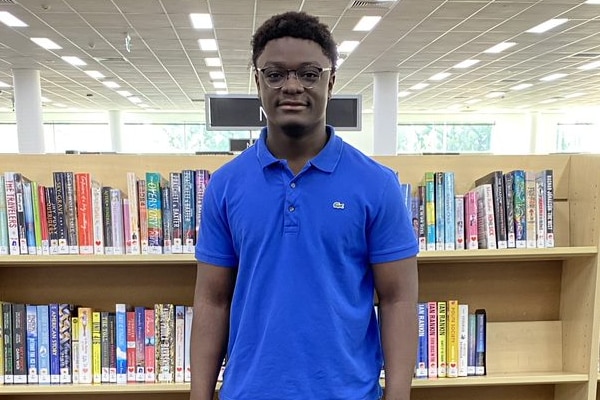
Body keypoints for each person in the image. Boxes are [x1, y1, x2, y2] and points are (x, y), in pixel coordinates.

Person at [190, 11, 419, 400]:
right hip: (248, 392)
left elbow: (398, 298)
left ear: (330, 81)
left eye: (309, 73)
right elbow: (212, 300)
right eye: (275, 74)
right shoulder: (226, 185)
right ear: (258, 81)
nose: (292, 86)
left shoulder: (376, 184)